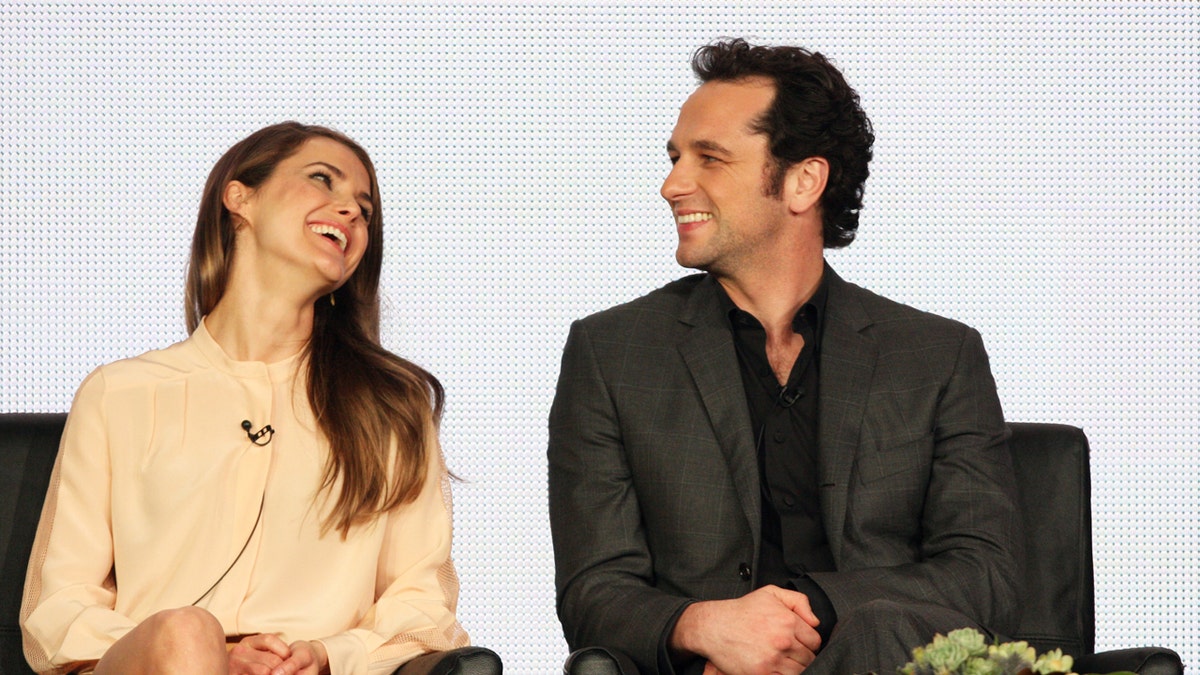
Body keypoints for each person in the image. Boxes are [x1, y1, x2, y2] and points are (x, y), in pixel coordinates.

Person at [548, 39, 1022, 675]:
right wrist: (708, 627)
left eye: (709, 158)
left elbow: (986, 576)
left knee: (880, 629)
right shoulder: (611, 353)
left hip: (881, 657)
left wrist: (813, 609)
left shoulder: (939, 356)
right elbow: (593, 592)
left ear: (803, 181)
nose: (672, 184)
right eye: (675, 157)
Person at [21, 122, 469, 675]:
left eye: (365, 208)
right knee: (187, 631)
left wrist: (328, 655)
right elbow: (59, 612)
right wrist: (209, 652)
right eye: (321, 180)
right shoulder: (120, 393)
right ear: (240, 199)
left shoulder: (390, 408)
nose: (349, 210)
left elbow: (421, 606)